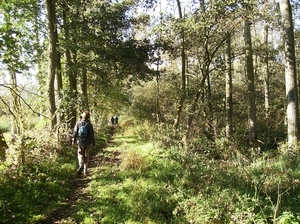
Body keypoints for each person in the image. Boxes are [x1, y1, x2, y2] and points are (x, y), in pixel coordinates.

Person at [72, 111, 95, 176]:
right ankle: (85, 171)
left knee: (80, 154)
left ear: (82, 116)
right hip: (87, 142)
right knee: (86, 155)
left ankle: (81, 165)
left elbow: (75, 132)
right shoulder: (90, 124)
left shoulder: (78, 123)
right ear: (88, 117)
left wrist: (73, 141)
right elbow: (92, 135)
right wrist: (93, 143)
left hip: (80, 142)